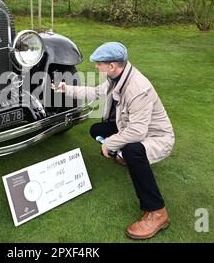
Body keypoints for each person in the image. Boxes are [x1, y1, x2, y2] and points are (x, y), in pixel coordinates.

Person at [52, 42, 175, 240]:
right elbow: (95, 92)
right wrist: (68, 89)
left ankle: (157, 212)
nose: (96, 67)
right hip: (133, 128)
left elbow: (137, 132)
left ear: (112, 66)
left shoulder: (137, 88)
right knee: (97, 130)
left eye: (99, 64)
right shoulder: (117, 77)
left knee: (132, 151)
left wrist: (110, 144)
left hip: (156, 137)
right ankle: (125, 157)